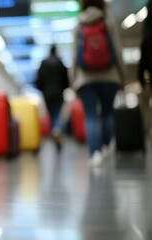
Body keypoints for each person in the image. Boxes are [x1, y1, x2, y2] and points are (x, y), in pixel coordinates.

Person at [71, 0, 126, 166]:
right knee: (107, 113)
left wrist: (73, 81)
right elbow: (117, 49)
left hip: (85, 78)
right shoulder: (108, 21)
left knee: (90, 116)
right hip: (109, 76)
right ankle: (107, 145)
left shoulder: (79, 24)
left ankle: (95, 153)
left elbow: (74, 57)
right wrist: (122, 76)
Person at [36, 44, 69, 150]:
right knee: (57, 114)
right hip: (59, 93)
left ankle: (54, 131)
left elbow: (38, 80)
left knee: (51, 114)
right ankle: (57, 129)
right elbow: (67, 80)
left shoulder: (43, 63)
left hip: (47, 94)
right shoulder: (60, 63)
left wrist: (42, 90)